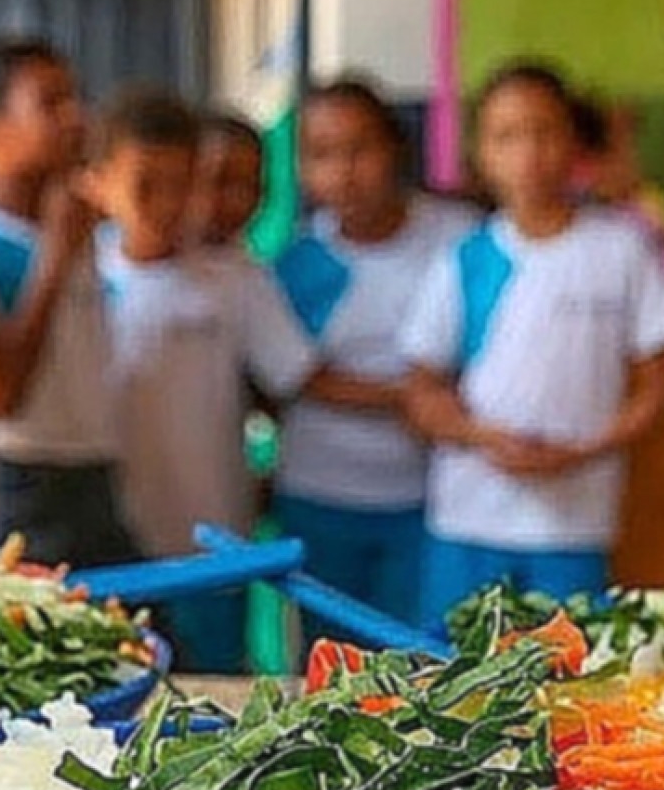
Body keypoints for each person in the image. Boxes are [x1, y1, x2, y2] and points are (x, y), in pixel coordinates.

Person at [399, 61, 664, 628]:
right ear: (481, 153)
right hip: (468, 521)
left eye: (544, 130)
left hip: (575, 524)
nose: (528, 152)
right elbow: (420, 392)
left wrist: (584, 449)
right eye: (507, 135)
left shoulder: (622, 251)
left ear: (573, 140)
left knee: (571, 685)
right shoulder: (463, 257)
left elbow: (659, 387)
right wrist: (481, 435)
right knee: (452, 682)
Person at [89, 90, 319, 671]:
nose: (168, 205)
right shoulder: (79, 277)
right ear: (100, 181)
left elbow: (292, 380)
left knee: (212, 688)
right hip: (110, 540)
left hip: (211, 541)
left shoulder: (236, 278)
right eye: (147, 184)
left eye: (183, 185)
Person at [271, 76, 479, 625]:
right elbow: (299, 377)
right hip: (320, 496)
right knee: (327, 662)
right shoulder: (299, 262)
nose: (344, 171)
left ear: (395, 148)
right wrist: (414, 395)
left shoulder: (459, 239)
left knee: (418, 662)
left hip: (427, 499)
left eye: (360, 149)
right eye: (322, 154)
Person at [0, 40, 136, 568]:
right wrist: (53, 262)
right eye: (49, 103)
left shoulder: (78, 223)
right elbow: (0, 396)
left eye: (75, 98)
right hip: (27, 478)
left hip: (95, 468)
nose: (76, 116)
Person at [189, 109, 266, 262]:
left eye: (250, 185)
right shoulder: (138, 274)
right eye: (221, 180)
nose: (238, 200)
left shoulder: (260, 279)